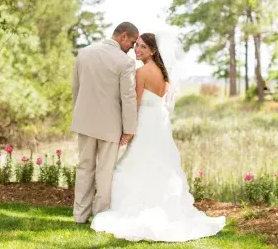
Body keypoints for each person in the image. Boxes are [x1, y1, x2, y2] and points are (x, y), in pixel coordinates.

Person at [90, 33, 226, 242]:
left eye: (143, 47)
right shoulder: (165, 75)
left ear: (153, 51)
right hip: (159, 127)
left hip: (145, 125)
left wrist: (128, 132)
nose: (137, 50)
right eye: (136, 46)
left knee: (135, 166)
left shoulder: (141, 72)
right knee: (161, 165)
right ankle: (164, 208)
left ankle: (136, 211)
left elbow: (134, 105)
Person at [71, 22, 139, 224]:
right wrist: (129, 129)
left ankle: (79, 216)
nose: (133, 48)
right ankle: (100, 217)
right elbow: (128, 98)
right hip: (111, 125)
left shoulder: (84, 53)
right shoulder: (125, 62)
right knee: (105, 172)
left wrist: (79, 115)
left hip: (84, 122)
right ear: (123, 36)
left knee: (84, 168)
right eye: (133, 42)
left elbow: (76, 89)